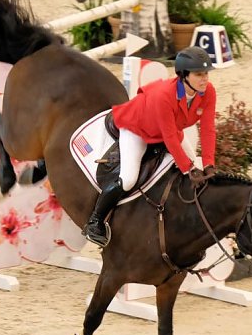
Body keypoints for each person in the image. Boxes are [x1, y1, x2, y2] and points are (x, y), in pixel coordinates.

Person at [82, 46, 218, 247]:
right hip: (138, 128)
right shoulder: (165, 95)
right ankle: (95, 221)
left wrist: (208, 164)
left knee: (197, 168)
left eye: (206, 73)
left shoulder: (207, 92)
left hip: (169, 129)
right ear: (184, 76)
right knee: (128, 179)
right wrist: (187, 168)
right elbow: (169, 138)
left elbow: (208, 129)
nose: (205, 78)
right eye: (199, 74)